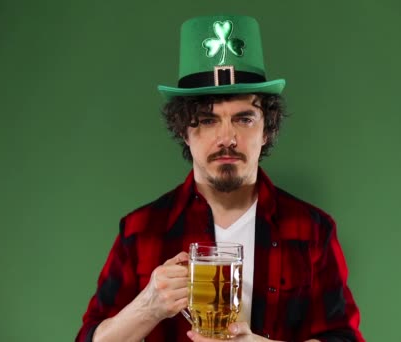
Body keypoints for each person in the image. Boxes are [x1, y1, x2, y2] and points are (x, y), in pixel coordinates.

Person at [76, 15, 364, 342]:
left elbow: (345, 338)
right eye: (207, 120)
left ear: (267, 130)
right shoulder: (140, 231)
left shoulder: (312, 230)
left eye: (243, 118)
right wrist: (149, 305)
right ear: (184, 130)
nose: (226, 138)